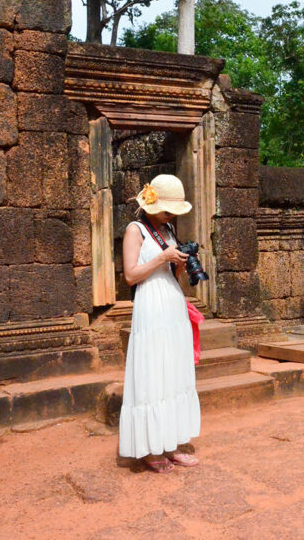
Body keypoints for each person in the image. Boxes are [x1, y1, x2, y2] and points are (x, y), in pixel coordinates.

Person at [118, 173, 201, 473]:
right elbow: (130, 275)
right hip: (150, 305)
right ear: (152, 205)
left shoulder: (167, 229)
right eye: (168, 210)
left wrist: (177, 265)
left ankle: (173, 442)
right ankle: (150, 448)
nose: (171, 216)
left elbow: (168, 273)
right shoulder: (135, 230)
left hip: (171, 302)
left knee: (174, 372)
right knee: (154, 370)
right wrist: (161, 257)